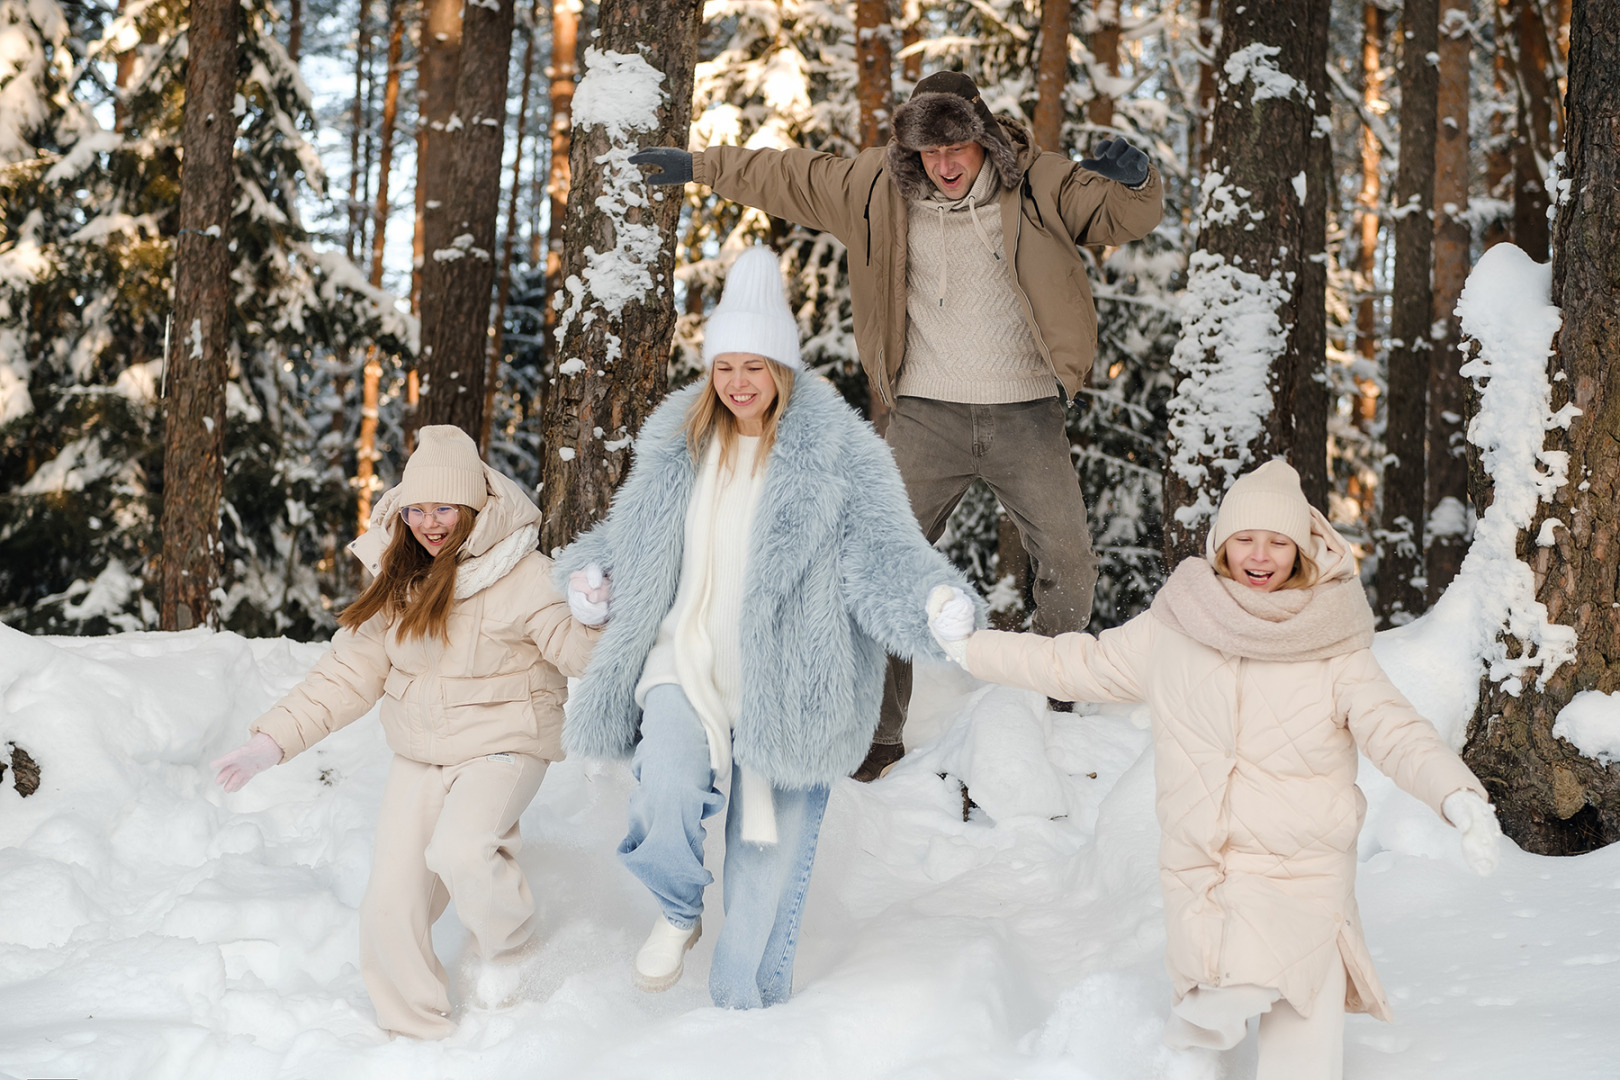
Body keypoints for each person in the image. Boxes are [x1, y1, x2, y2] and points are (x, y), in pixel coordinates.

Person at [630, 70, 1164, 778]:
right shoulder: (877, 190)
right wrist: (700, 165)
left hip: (1026, 411)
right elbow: (788, 175)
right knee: (881, 569)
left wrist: (1140, 180)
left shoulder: (1038, 184)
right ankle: (880, 734)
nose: (944, 166)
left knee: (1069, 564)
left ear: (983, 138)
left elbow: (1120, 214)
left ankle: (1050, 698)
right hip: (924, 415)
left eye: (957, 148)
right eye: (928, 152)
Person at [925, 460, 1504, 1080]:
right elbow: (1076, 664)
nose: (1261, 556)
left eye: (1279, 541)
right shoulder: (1176, 628)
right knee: (1209, 1014)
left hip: (1305, 866)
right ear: (1220, 544)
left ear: (1304, 549)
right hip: (1207, 866)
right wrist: (970, 647)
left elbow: (1398, 732)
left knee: (1302, 1035)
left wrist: (1456, 796)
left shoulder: (1334, 643)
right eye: (1246, 539)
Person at [553, 245, 981, 1008]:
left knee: (765, 855)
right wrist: (592, 577)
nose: (738, 383)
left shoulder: (843, 455)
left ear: (783, 369)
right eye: (724, 367)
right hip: (683, 664)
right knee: (668, 789)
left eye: (754, 366)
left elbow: (886, 554)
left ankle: (746, 1012)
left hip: (789, 681)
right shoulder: (677, 444)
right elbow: (627, 540)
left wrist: (934, 604)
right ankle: (679, 908)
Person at [209, 426, 599, 1039]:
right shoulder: (402, 583)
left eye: (443, 507)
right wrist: (271, 742)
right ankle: (416, 1034)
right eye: (417, 508)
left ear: (473, 506)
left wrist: (594, 614)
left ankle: (516, 953)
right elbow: (346, 674)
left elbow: (579, 656)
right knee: (390, 904)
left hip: (505, 743)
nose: (428, 522)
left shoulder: (528, 574)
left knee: (462, 849)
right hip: (422, 754)